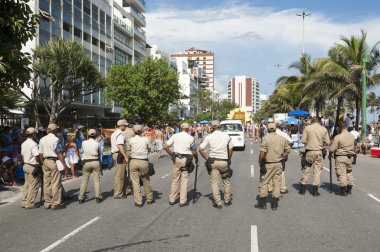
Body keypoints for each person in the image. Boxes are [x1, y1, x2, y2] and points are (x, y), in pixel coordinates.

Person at [255, 123, 290, 210]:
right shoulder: (282, 138)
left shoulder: (266, 138)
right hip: (278, 163)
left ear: (268, 129)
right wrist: (283, 155)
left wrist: (260, 162)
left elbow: (262, 153)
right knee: (277, 182)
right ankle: (274, 203)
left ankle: (262, 203)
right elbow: (288, 149)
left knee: (264, 182)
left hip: (268, 164)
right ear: (275, 129)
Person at [199, 120, 233, 209]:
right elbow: (230, 149)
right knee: (226, 181)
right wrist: (229, 158)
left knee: (214, 182)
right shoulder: (226, 136)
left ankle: (218, 203)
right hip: (223, 161)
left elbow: (200, 149)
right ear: (220, 127)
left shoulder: (209, 137)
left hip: (213, 162)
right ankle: (227, 200)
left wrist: (207, 158)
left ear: (212, 127)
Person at [164, 123, 199, 207]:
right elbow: (194, 151)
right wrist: (197, 159)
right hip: (186, 160)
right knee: (184, 180)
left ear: (181, 128)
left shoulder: (175, 136)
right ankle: (182, 201)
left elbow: (165, 146)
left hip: (176, 158)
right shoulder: (190, 138)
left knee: (175, 179)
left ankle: (172, 199)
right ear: (188, 129)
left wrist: (171, 154)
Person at [39, 124, 69, 210]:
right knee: (56, 183)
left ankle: (47, 202)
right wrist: (64, 165)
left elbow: (40, 153)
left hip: (45, 161)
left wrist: (42, 163)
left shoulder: (42, 139)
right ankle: (55, 203)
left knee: (46, 183)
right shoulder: (55, 139)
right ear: (55, 130)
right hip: (53, 161)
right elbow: (59, 153)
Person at [299, 117, 330, 197]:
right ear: (319, 121)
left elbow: (303, 140)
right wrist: (321, 142)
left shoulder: (307, 128)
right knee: (317, 171)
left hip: (309, 152)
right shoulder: (324, 129)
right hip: (319, 152)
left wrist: (309, 142)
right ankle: (315, 191)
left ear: (312, 121)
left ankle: (303, 189)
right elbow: (328, 142)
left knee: (306, 170)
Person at [129, 125, 154, 207]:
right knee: (146, 180)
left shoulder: (131, 140)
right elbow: (150, 149)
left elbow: (130, 149)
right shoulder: (145, 139)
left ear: (134, 131)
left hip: (134, 161)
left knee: (135, 182)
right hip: (143, 161)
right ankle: (149, 198)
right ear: (142, 131)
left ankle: (138, 201)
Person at [329, 121, 355, 196]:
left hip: (341, 157)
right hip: (350, 157)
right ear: (346, 127)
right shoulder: (352, 136)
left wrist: (330, 154)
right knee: (349, 172)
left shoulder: (338, 137)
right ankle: (349, 189)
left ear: (339, 128)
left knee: (341, 173)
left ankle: (343, 191)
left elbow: (332, 149)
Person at [268, 123, 293, 194]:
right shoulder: (283, 134)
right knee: (282, 171)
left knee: (270, 171)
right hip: (281, 155)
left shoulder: (268, 135)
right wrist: (286, 150)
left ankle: (270, 188)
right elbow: (291, 142)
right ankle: (282, 188)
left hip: (271, 155)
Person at [78, 129, 102, 204]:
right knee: (96, 180)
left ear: (88, 135)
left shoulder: (84, 143)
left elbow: (81, 152)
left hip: (86, 162)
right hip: (95, 161)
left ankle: (81, 198)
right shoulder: (97, 143)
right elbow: (99, 154)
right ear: (95, 135)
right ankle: (98, 197)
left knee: (84, 180)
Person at [21, 128, 41, 209]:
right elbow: (36, 156)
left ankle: (24, 201)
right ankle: (29, 203)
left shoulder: (24, 143)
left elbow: (22, 155)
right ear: (33, 135)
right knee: (33, 185)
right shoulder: (33, 144)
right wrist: (40, 163)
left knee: (26, 184)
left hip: (25, 165)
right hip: (32, 166)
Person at [111, 119, 129, 199]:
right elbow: (119, 146)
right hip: (119, 155)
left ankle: (124, 190)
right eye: (125, 125)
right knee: (120, 175)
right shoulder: (119, 134)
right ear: (121, 125)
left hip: (117, 154)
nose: (126, 126)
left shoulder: (115, 133)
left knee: (123, 174)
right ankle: (117, 194)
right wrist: (125, 156)